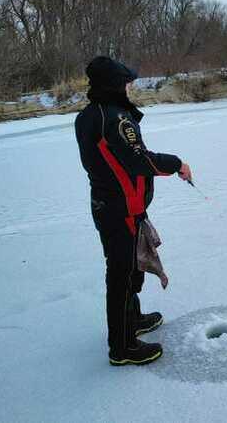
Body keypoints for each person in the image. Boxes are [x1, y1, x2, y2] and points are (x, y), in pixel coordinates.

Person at [75, 56, 192, 366]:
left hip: (111, 206)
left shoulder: (88, 115)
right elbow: (141, 160)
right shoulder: (114, 118)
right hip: (120, 209)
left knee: (131, 267)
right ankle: (122, 346)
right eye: (127, 82)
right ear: (115, 85)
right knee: (122, 275)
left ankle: (133, 319)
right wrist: (177, 163)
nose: (130, 87)